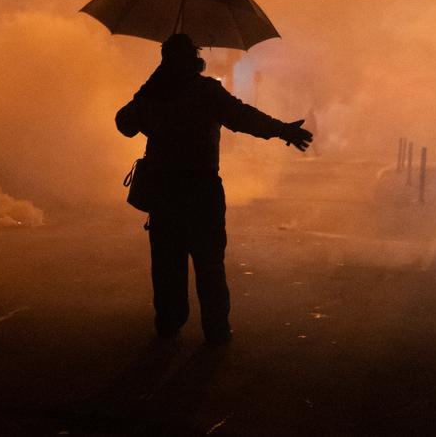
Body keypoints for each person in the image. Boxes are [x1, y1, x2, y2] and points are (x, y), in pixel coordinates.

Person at [115, 33, 313, 343]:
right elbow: (244, 118)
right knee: (209, 265)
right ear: (194, 59)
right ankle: (216, 328)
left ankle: (169, 322)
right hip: (201, 192)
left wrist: (147, 90)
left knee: (167, 264)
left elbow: (124, 125)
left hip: (164, 193)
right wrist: (283, 130)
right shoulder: (205, 91)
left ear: (164, 60)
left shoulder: (154, 93)